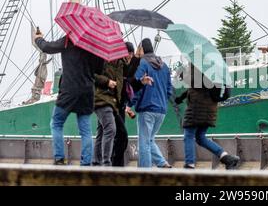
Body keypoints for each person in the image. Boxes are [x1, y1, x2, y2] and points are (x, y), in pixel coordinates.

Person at [34, 32, 104, 166]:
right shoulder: (95, 46)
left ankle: (60, 159)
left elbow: (47, 47)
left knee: (56, 123)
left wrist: (38, 39)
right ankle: (85, 164)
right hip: (87, 91)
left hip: (69, 90)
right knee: (86, 130)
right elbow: (99, 70)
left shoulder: (69, 39)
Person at [174, 65, 240, 170]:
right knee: (200, 137)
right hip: (209, 110)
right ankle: (227, 158)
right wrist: (181, 97)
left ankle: (189, 165)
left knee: (189, 136)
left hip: (197, 109)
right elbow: (196, 88)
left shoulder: (197, 66)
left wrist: (181, 73)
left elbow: (193, 82)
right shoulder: (209, 69)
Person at [128, 38, 172, 168]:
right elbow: (169, 89)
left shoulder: (143, 63)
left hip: (147, 108)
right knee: (149, 139)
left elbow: (137, 86)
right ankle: (161, 162)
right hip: (162, 110)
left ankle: (145, 173)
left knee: (143, 143)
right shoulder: (164, 65)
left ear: (141, 49)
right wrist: (163, 100)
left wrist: (129, 104)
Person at [93, 57, 126, 166]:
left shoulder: (121, 63)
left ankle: (96, 162)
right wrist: (107, 82)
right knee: (111, 129)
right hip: (102, 99)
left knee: (102, 130)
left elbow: (121, 84)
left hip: (113, 102)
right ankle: (106, 163)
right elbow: (91, 75)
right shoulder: (101, 59)